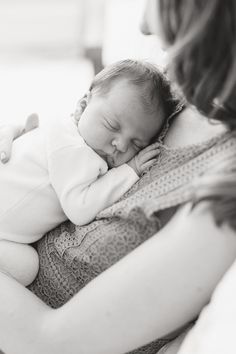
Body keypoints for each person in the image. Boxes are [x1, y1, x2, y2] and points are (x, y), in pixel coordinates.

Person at [0, 1, 235, 354]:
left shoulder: (224, 183)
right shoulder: (172, 95)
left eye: (166, 7)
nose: (143, 24)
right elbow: (73, 133)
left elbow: (51, 343)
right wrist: (22, 140)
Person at [0, 59, 166, 286]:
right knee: (27, 267)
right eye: (111, 125)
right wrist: (130, 170)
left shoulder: (64, 132)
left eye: (136, 144)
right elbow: (80, 208)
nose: (121, 145)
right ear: (83, 104)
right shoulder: (75, 148)